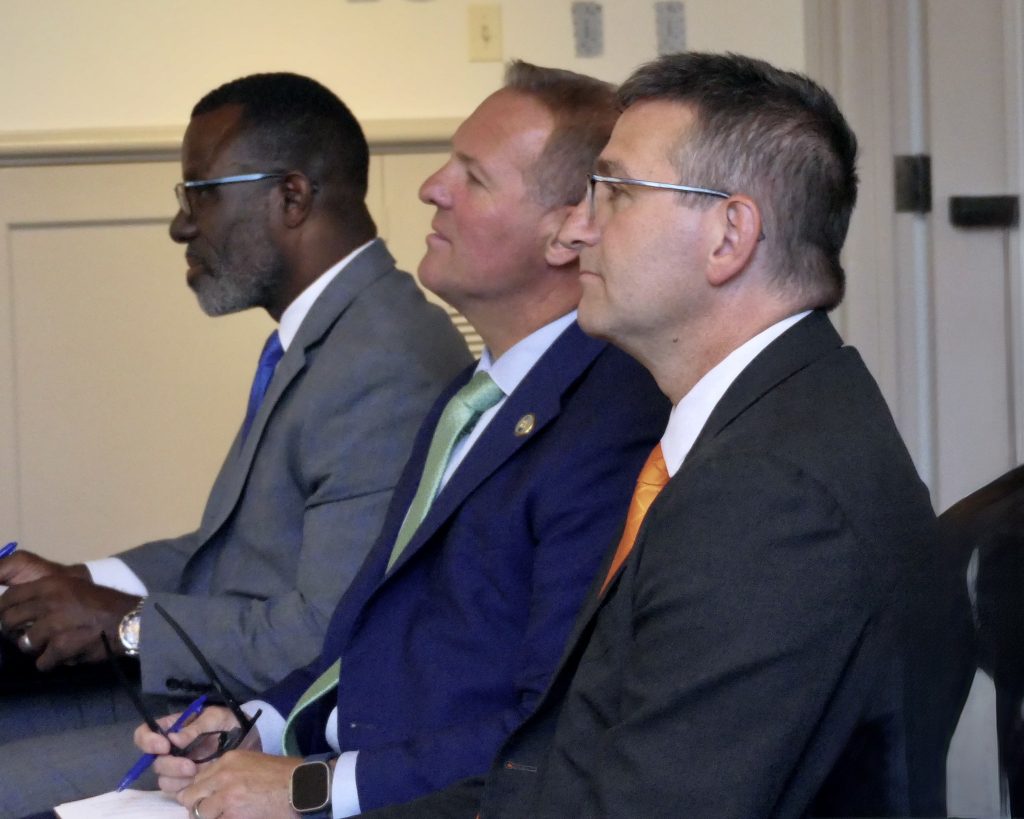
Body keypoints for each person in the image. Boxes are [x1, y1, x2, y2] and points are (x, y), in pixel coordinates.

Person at [366, 52, 956, 818]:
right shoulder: (767, 425)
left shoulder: (768, 498)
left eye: (612, 192)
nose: (578, 228)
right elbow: (566, 771)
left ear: (728, 235)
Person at [135, 61, 669, 819]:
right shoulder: (473, 393)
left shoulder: (607, 423)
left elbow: (548, 728)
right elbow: (375, 627)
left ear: (567, 231)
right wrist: (258, 726)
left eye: (473, 178)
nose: (431, 187)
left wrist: (307, 785)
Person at [0, 72, 470, 814]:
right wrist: (75, 578)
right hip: (207, 684)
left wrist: (117, 620)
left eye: (200, 192)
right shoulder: (331, 333)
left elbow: (327, 630)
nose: (181, 225)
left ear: (291, 195)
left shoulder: (384, 358)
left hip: (259, 725)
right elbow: (233, 548)